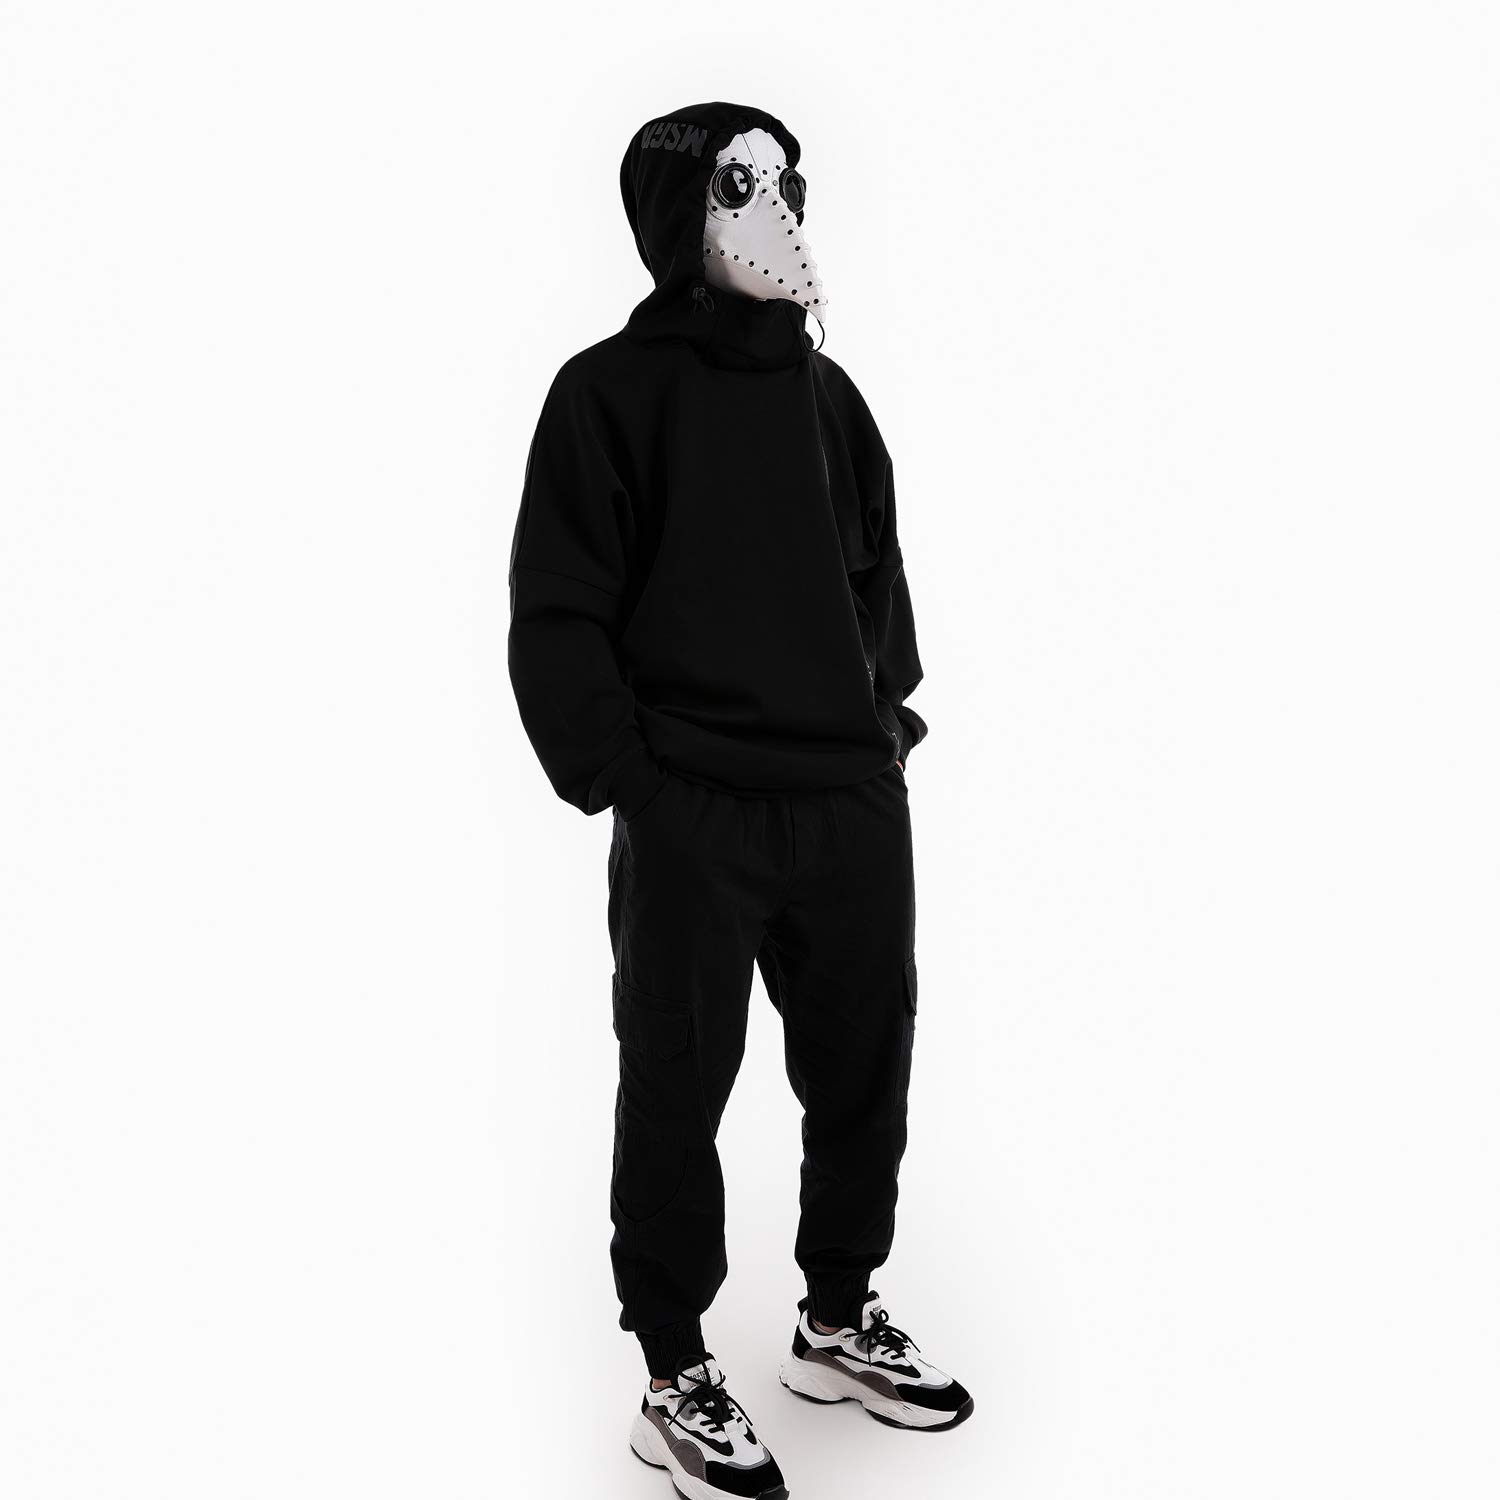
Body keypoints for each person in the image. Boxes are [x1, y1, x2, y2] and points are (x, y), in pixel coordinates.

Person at [509, 101, 973, 1499]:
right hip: (693, 810)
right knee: (675, 1082)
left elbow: (875, 576)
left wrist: (884, 733)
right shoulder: (606, 396)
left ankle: (837, 1318)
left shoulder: (831, 399)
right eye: (738, 184)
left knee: (866, 1067)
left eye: (787, 182)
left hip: (848, 804)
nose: (777, 212)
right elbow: (559, 611)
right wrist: (631, 783)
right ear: (679, 215)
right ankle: (674, 1373)